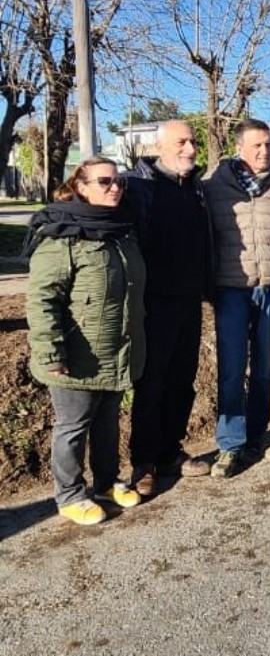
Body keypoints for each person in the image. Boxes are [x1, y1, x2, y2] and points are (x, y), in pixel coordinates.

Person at [26, 157, 146, 525]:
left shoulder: (120, 230)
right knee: (73, 426)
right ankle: (70, 494)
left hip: (115, 348)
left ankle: (106, 483)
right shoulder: (62, 234)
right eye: (105, 182)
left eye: (119, 183)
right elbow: (41, 298)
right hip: (76, 355)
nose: (115, 188)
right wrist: (50, 351)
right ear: (81, 186)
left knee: (108, 421)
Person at [204, 119, 270, 477]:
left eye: (268, 145)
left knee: (263, 367)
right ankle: (230, 445)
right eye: (256, 146)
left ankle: (256, 436)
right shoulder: (213, 187)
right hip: (231, 288)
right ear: (239, 149)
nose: (264, 152)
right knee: (232, 369)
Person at [126, 120, 213, 497]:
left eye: (193, 141)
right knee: (152, 383)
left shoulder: (195, 188)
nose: (190, 148)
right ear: (160, 146)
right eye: (181, 142)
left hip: (189, 300)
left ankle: (169, 451)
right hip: (152, 304)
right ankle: (143, 461)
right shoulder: (139, 187)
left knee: (183, 380)